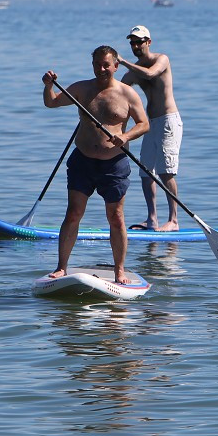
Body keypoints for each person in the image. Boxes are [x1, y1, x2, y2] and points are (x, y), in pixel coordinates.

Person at [42, 46, 149, 284]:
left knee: (116, 217)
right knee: (73, 213)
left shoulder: (128, 94)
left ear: (115, 66)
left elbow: (144, 124)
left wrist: (126, 136)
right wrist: (48, 85)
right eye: (97, 65)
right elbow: (51, 103)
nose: (101, 69)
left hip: (115, 165)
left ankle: (119, 271)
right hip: (83, 161)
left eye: (106, 65)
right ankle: (61, 267)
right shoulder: (81, 88)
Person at [119, 25, 184, 232]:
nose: (136, 46)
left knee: (167, 172)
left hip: (169, 122)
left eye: (139, 42)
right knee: (146, 172)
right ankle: (152, 219)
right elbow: (118, 90)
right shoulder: (132, 73)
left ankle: (173, 220)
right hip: (151, 124)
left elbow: (149, 74)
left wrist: (122, 62)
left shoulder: (161, 59)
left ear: (149, 42)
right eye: (132, 43)